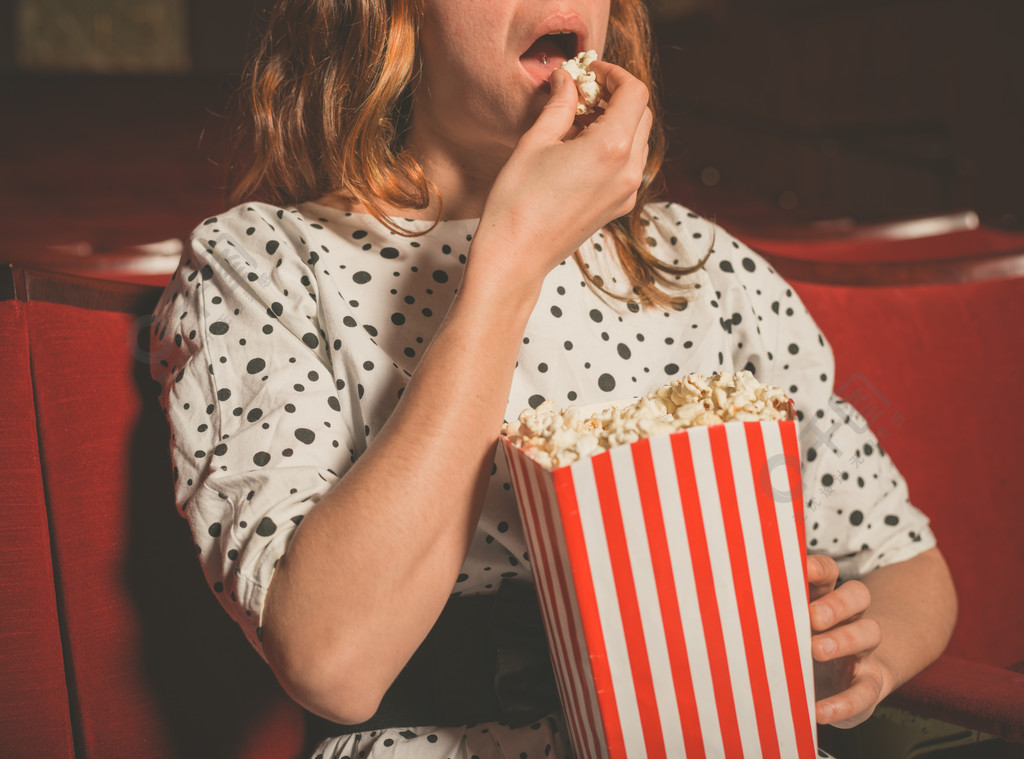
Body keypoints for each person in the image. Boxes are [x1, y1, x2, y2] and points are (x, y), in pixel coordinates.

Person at [149, 0, 957, 756]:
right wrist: (512, 261)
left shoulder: (703, 269)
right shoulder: (263, 265)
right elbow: (333, 662)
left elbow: (906, 563)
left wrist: (852, 658)